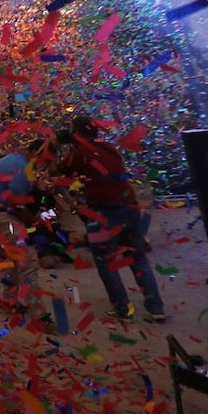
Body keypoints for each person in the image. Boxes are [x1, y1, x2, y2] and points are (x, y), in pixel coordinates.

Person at [57, 117, 166, 322]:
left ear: (76, 132)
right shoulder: (109, 147)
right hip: (130, 209)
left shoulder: (81, 152)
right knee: (138, 258)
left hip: (104, 213)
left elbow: (58, 170)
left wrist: (60, 145)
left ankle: (123, 309)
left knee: (105, 262)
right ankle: (156, 308)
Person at [0, 137, 53, 324]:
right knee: (28, 260)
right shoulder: (21, 168)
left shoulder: (17, 160)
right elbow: (15, 202)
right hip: (2, 215)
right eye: (46, 160)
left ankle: (8, 301)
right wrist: (35, 220)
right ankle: (38, 314)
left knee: (13, 261)